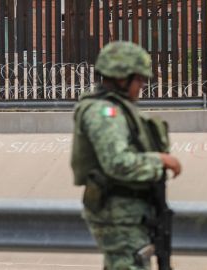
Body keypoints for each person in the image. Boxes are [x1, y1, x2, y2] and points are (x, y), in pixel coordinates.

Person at [70, 41, 182, 270]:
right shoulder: (105, 113)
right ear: (122, 78)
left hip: (129, 214)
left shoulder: (117, 108)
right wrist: (160, 160)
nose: (141, 85)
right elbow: (117, 163)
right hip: (117, 214)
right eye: (138, 79)